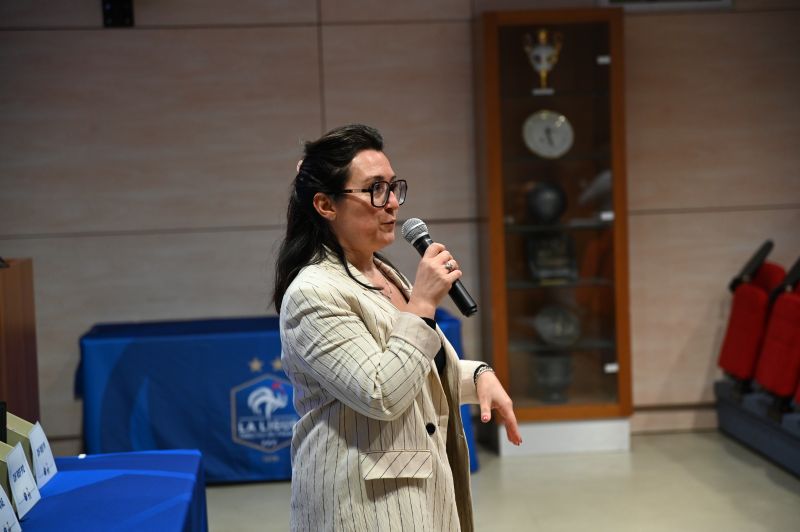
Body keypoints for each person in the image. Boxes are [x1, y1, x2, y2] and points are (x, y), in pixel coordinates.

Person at [274, 124, 521, 532]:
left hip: (417, 491)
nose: (391, 203)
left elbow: (412, 369)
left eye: (393, 187)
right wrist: (422, 304)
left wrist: (477, 375)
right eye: (375, 189)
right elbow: (380, 392)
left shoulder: (383, 270)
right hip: (360, 504)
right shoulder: (314, 292)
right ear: (325, 204)